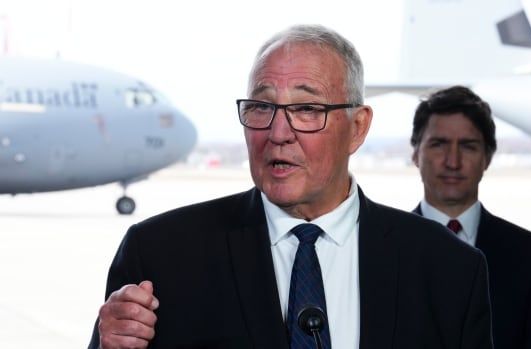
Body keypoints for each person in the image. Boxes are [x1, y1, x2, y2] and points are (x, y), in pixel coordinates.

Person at [89, 25, 493, 349]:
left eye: (306, 109)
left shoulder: (450, 268)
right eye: (262, 107)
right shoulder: (161, 255)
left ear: (357, 128)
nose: (278, 132)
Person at [411, 86, 531, 349]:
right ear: (416, 153)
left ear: (488, 157)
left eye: (468, 146)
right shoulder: (377, 249)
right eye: (439, 144)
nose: (453, 161)